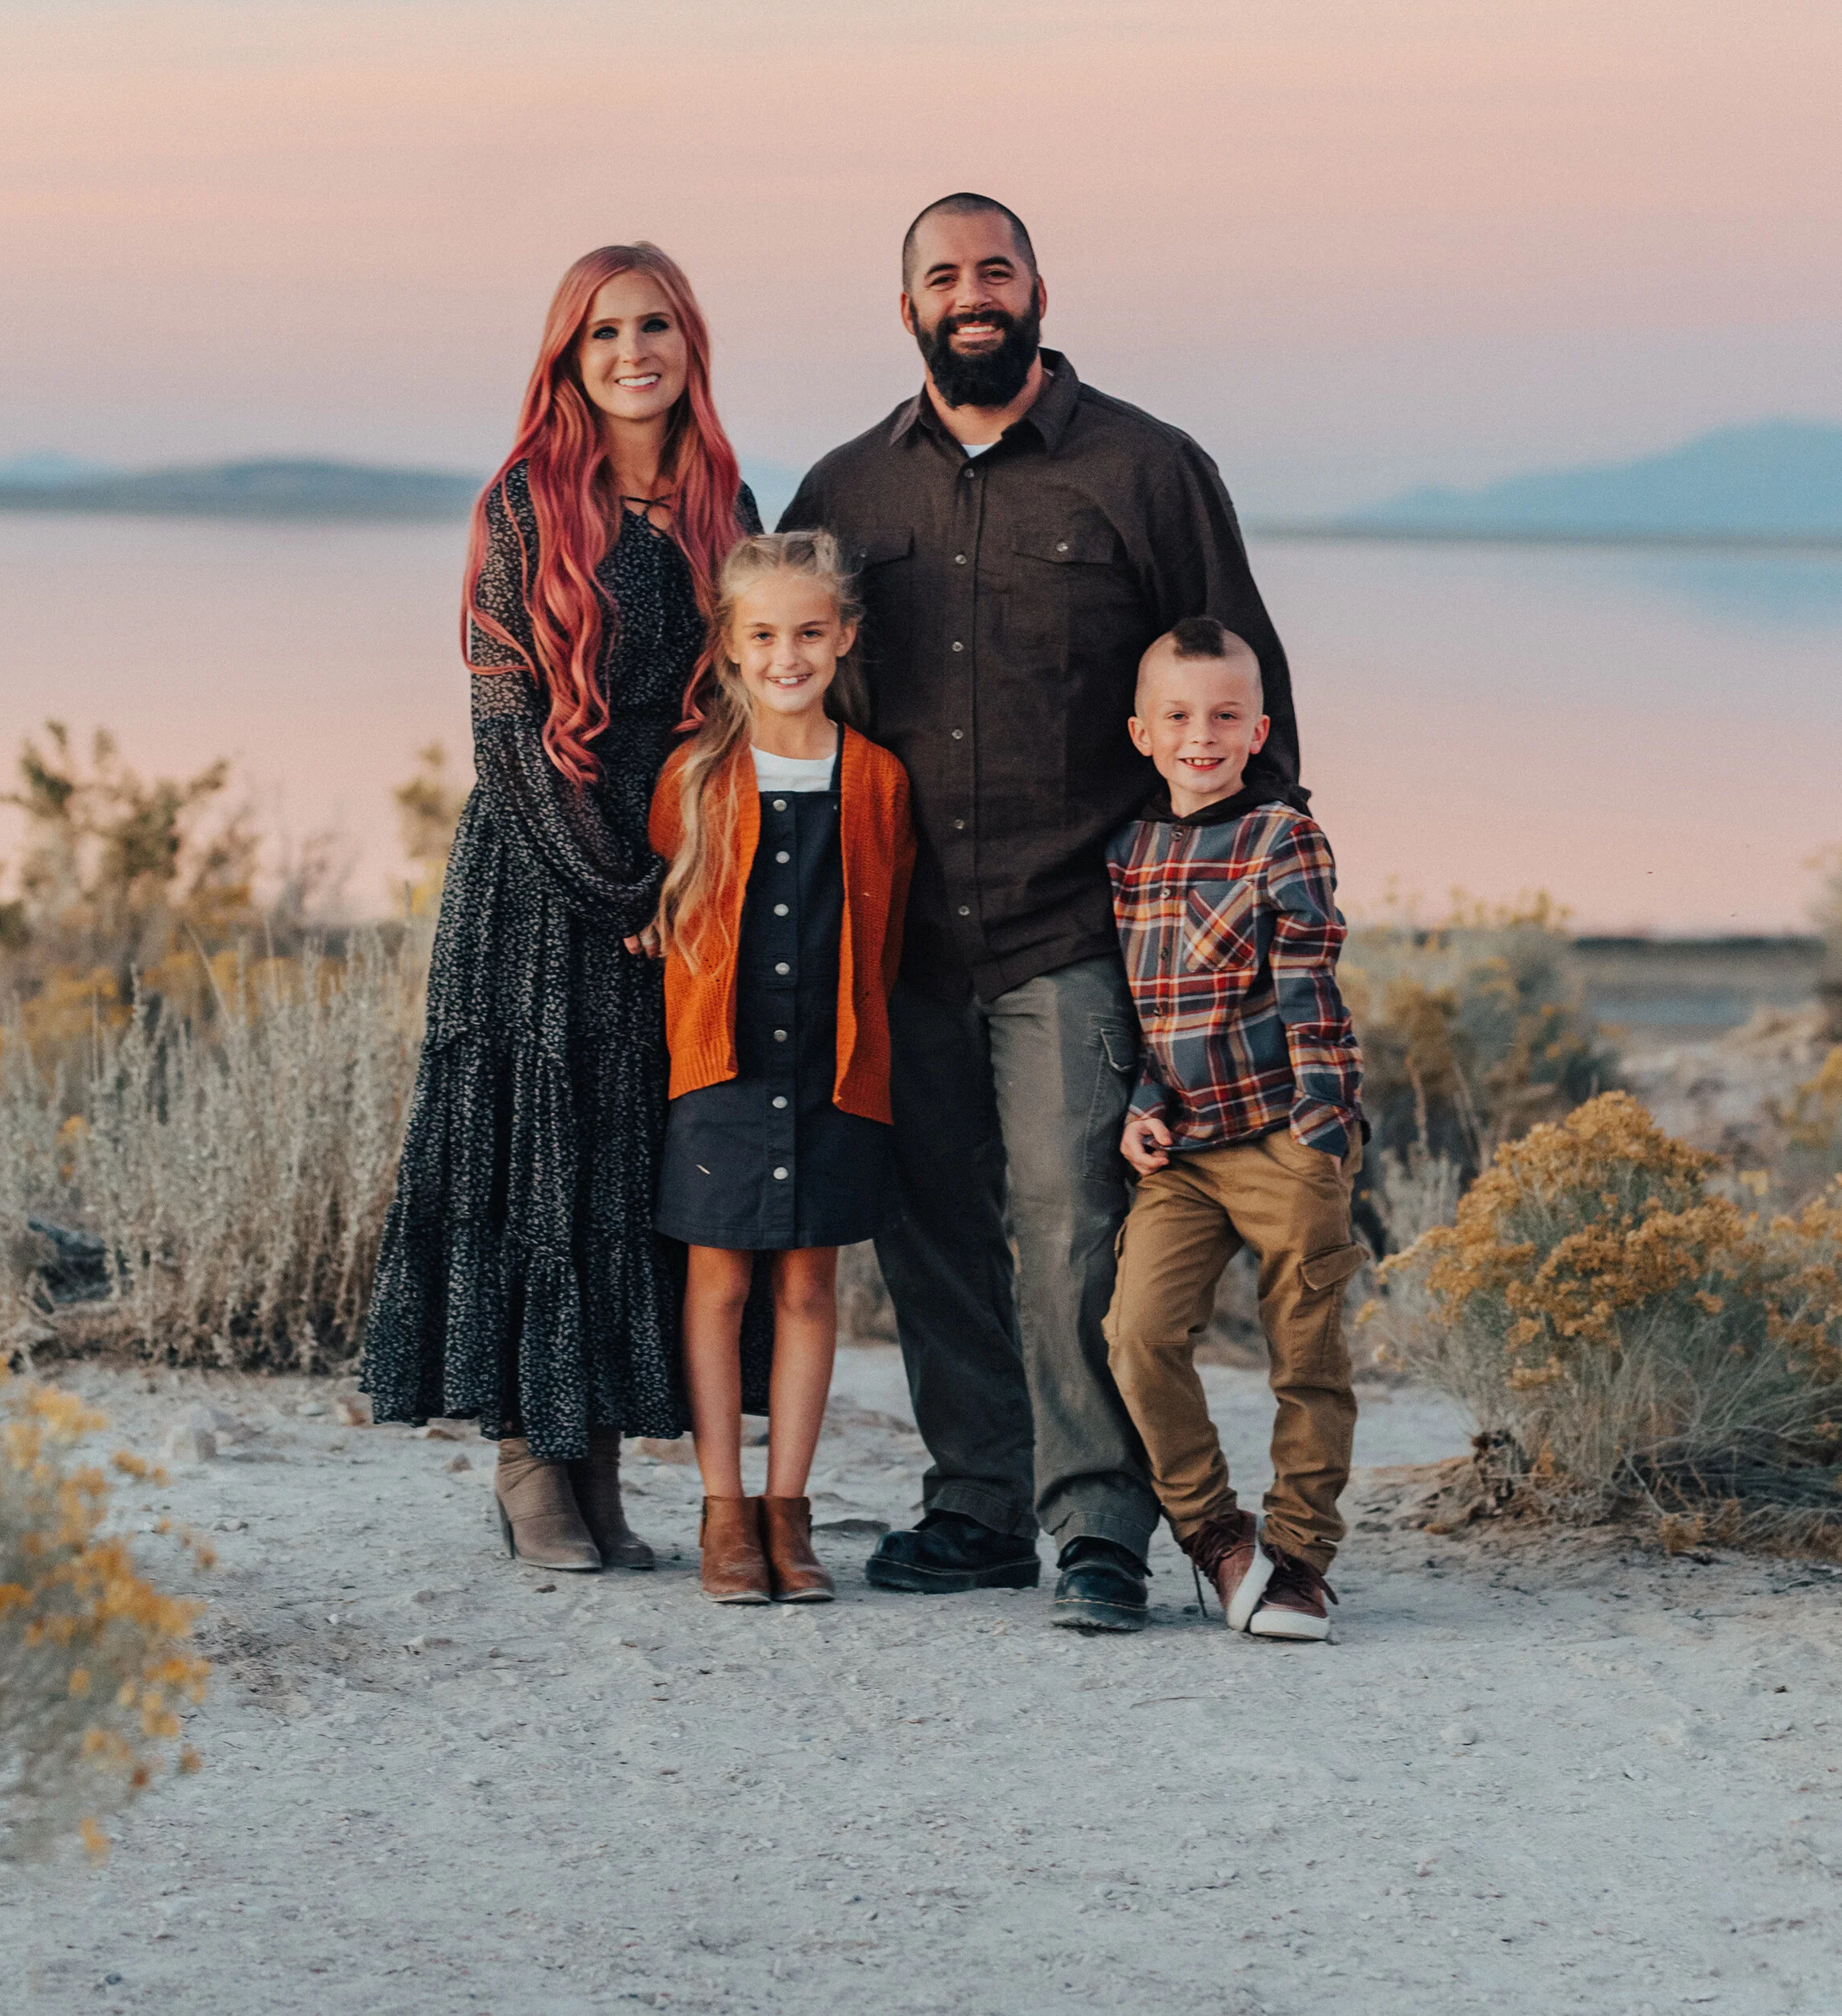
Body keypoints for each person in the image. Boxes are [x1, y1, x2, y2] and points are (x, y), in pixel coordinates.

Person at [782, 192, 1302, 1633]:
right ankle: (976, 1508)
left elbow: (1250, 698)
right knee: (932, 1225)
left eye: (994, 269)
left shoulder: (1148, 470)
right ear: (907, 311)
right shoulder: (842, 490)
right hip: (900, 936)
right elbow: (779, 695)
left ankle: (1097, 1531)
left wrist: (1254, 904)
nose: (971, 293)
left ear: (1039, 291)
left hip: (1081, 929)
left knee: (1077, 1227)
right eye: (942, 276)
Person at [362, 242, 756, 1571]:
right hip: (542, 878)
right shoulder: (527, 500)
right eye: (602, 334)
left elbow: (747, 701)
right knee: (534, 1153)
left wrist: (694, 872)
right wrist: (613, 887)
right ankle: (530, 1466)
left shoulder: (726, 502)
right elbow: (505, 724)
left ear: (690, 343)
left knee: (625, 1162)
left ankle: (597, 1469)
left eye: (654, 326)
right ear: (568, 360)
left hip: (677, 873)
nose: (632, 351)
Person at [649, 531, 916, 1605]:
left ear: (844, 636)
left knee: (810, 1286)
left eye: (810, 630)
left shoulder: (879, 777)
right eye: (764, 634)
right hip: (718, 1066)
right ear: (730, 645)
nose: (788, 653)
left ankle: (788, 1511)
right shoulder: (697, 774)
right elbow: (676, 920)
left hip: (833, 1065)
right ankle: (723, 1510)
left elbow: (886, 935)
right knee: (716, 1285)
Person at [1102, 616, 1364, 1641]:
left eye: (1224, 715)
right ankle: (1215, 1533)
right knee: (1138, 1336)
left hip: (1282, 1135)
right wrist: (1137, 1105)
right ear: (1141, 732)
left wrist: (1324, 1127)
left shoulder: (1283, 837)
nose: (1199, 734)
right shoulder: (1129, 849)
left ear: (1260, 730)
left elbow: (1312, 982)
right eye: (1178, 715)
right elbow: (1135, 1004)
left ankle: (1298, 1558)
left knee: (1305, 1352)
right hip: (1183, 1155)